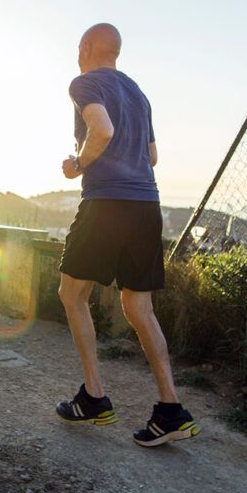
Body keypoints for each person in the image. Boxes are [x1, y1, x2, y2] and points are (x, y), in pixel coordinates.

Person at [55, 23, 199, 446]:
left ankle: (94, 398)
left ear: (86, 47)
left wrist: (78, 165)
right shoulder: (138, 93)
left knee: (72, 294)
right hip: (146, 204)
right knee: (139, 306)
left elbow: (101, 130)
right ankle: (170, 410)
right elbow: (151, 156)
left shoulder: (85, 83)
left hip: (106, 203)